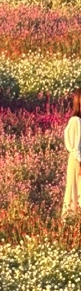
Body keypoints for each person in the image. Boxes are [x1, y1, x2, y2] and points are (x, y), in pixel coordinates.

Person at [64, 90, 81, 221]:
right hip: (77, 163)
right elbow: (75, 147)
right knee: (76, 192)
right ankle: (72, 223)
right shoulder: (76, 121)